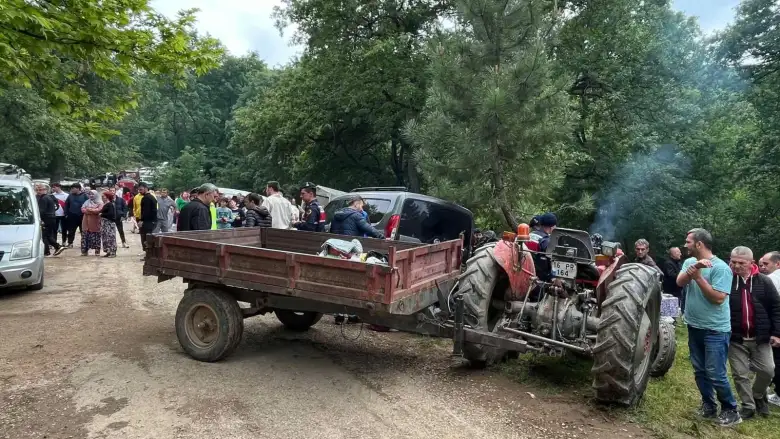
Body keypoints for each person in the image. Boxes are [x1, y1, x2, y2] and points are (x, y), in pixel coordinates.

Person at [676, 228, 740, 426]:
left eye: (688, 242)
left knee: (715, 372)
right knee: (700, 370)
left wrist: (698, 277)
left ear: (699, 244)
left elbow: (718, 298)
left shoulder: (721, 268)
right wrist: (694, 268)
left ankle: (731, 410)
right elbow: (679, 282)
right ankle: (709, 406)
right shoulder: (689, 262)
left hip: (715, 329)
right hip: (694, 326)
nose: (685, 245)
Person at [726, 246, 780, 420]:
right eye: (733, 262)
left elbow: (776, 307)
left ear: (751, 263)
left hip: (760, 337)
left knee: (768, 371)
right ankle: (748, 406)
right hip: (735, 337)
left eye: (741, 263)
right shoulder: (726, 279)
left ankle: (758, 395)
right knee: (740, 374)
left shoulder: (764, 281)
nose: (736, 266)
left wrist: (777, 333)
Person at [757, 251, 780, 407]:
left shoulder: (771, 279)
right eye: (762, 264)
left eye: (766, 264)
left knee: (776, 360)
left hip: (775, 324)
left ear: (777, 263)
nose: (763, 267)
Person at [35, 184, 65, 256]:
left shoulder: (44, 198)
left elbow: (41, 211)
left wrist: (39, 219)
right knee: (48, 235)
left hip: (46, 219)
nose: (38, 191)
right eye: (37, 190)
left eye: (40, 190)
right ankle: (56, 247)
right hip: (51, 218)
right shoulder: (49, 197)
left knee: (44, 236)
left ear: (45, 190)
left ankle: (48, 250)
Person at [63, 183, 87, 248]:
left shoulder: (84, 196)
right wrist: (66, 214)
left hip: (82, 216)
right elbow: (66, 205)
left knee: (83, 230)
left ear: (78, 188)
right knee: (71, 230)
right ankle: (70, 243)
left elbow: (88, 204)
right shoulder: (70, 196)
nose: (71, 190)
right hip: (72, 216)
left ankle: (84, 244)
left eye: (73, 188)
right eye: (71, 188)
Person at [80, 190, 103, 256]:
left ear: (96, 195)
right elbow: (82, 209)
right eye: (89, 194)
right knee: (85, 236)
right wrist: (92, 210)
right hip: (86, 222)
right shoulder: (86, 202)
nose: (91, 196)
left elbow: (98, 210)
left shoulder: (100, 202)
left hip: (95, 222)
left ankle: (97, 251)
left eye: (92, 194)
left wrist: (89, 209)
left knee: (96, 236)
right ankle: (84, 251)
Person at [137, 183, 157, 257]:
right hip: (152, 221)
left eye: (141, 189)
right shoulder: (152, 197)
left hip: (148, 222)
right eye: (139, 190)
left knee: (146, 238)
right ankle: (148, 254)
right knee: (148, 238)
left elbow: (146, 211)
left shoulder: (146, 198)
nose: (139, 191)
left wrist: (141, 220)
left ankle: (148, 254)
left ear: (146, 188)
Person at [100, 192, 118, 258]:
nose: (102, 197)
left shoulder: (110, 204)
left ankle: (113, 252)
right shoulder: (106, 204)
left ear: (107, 197)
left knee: (110, 237)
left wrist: (102, 214)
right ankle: (108, 251)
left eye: (103, 196)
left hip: (109, 223)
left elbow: (111, 214)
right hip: (104, 223)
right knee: (105, 238)